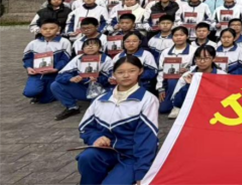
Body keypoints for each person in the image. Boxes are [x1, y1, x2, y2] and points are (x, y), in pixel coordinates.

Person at [76, 55, 159, 185]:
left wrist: (142, 172)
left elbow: (146, 139)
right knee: (87, 157)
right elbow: (85, 127)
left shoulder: (148, 100)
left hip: (132, 156)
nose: (126, 75)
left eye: (132, 71)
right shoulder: (100, 99)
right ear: (114, 74)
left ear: (140, 71)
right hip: (106, 151)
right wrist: (96, 138)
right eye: (120, 72)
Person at [51, 37, 114, 120]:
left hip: (100, 90)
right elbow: (61, 75)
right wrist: (71, 78)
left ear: (100, 48)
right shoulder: (78, 59)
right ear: (83, 49)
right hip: (83, 89)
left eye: (94, 44)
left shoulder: (106, 59)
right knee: (56, 85)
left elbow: (111, 77)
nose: (90, 47)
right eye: (87, 45)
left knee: (96, 112)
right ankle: (72, 107)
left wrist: (98, 79)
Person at [23, 19, 73, 104]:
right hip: (37, 74)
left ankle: (52, 92)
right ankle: (38, 91)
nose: (48, 31)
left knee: (45, 100)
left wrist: (56, 69)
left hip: (54, 74)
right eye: (45, 28)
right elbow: (27, 58)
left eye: (52, 28)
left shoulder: (64, 42)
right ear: (40, 29)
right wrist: (29, 67)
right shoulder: (33, 43)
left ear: (58, 29)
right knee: (29, 92)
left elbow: (65, 59)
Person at [156, 26, 196, 116]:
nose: (178, 37)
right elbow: (161, 71)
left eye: (181, 35)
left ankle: (179, 106)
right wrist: (160, 88)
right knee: (163, 109)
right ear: (172, 37)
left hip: (187, 81)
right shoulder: (165, 52)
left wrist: (188, 70)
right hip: (169, 83)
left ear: (187, 36)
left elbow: (198, 67)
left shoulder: (194, 51)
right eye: (176, 35)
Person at [172, 45, 227, 110]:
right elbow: (177, 103)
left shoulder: (222, 75)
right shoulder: (187, 76)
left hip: (215, 110)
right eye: (198, 58)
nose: (202, 61)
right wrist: (187, 86)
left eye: (206, 58)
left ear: (214, 58)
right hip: (193, 110)